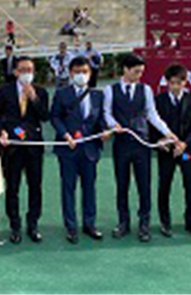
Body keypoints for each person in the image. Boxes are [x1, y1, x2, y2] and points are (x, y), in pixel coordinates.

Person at [103, 54, 178, 242]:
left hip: (141, 144)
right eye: (136, 72)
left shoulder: (145, 90)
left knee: (144, 186)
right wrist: (113, 125)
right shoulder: (110, 90)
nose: (139, 76)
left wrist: (168, 133)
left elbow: (152, 115)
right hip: (121, 145)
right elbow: (107, 112)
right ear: (125, 70)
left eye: (141, 72)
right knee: (122, 185)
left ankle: (144, 224)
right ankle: (123, 223)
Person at [49, 56, 108, 243]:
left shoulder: (98, 95)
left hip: (90, 149)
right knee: (68, 188)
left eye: (84, 72)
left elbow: (100, 119)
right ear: (70, 73)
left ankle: (89, 223)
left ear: (90, 74)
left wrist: (105, 131)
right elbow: (55, 117)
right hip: (68, 149)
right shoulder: (62, 93)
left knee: (89, 187)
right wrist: (65, 134)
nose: (81, 75)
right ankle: (71, 226)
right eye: (77, 72)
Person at [0, 56, 49, 244]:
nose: (27, 73)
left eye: (30, 70)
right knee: (13, 188)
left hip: (34, 147)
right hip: (13, 148)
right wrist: (1, 131)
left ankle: (33, 224)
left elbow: (44, 116)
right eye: (23, 70)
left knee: (35, 187)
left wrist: (33, 97)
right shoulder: (5, 91)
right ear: (16, 72)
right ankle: (15, 226)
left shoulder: (41, 92)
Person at [153, 64, 191, 238]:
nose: (175, 86)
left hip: (186, 151)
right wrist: (160, 141)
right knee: (164, 185)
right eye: (172, 82)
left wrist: (184, 144)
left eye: (179, 82)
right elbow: (152, 123)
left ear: (185, 82)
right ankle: (164, 222)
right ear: (167, 82)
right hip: (166, 151)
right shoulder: (158, 100)